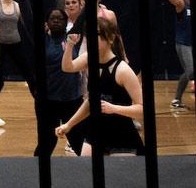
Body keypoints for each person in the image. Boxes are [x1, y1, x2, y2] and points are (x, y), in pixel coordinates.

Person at [55, 17, 143, 156]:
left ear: (111, 38)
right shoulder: (88, 59)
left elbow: (142, 109)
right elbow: (67, 67)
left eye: (96, 35)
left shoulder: (122, 70)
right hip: (96, 131)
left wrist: (114, 109)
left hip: (121, 135)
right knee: (86, 171)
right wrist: (68, 125)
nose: (91, 39)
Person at [36, 9, 83, 156]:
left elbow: (82, 18)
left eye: (60, 18)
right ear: (47, 23)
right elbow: (28, 18)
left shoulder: (73, 38)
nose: (56, 21)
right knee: (47, 142)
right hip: (47, 101)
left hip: (72, 100)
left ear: (66, 22)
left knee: (78, 142)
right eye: (52, 18)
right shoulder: (42, 40)